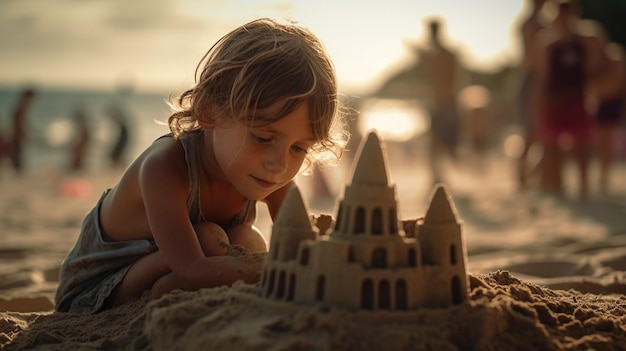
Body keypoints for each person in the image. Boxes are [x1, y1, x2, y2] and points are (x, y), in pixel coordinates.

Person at [55, 18, 348, 314]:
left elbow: (301, 245)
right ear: (210, 110)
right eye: (262, 137)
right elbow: (193, 270)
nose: (280, 164)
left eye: (298, 147)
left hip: (183, 267)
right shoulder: (165, 167)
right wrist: (282, 269)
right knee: (209, 239)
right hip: (95, 289)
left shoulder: (271, 172)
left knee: (247, 239)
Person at [533, 0, 599, 199]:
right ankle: (557, 188)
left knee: (582, 145)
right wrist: (540, 102)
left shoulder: (584, 41)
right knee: (552, 147)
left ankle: (584, 188)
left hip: (577, 99)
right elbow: (543, 76)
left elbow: (591, 69)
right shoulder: (549, 45)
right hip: (555, 101)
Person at [415, 18, 461, 184]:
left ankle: (445, 176)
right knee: (436, 142)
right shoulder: (447, 54)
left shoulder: (440, 55)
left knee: (447, 145)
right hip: (442, 104)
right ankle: (437, 177)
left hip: (444, 104)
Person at [517, 0, 547, 189]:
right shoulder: (531, 24)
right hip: (534, 79)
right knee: (532, 129)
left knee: (542, 130)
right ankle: (523, 175)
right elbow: (534, 58)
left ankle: (534, 172)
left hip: (539, 79)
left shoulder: (539, 22)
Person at [8, 88, 35, 172]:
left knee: (17, 158)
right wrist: (22, 134)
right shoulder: (21, 106)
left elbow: (20, 121)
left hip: (16, 135)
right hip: (16, 136)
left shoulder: (20, 106)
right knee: (17, 159)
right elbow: (18, 122)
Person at [69, 106, 91, 171]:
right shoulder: (84, 129)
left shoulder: (85, 130)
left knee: (77, 157)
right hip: (79, 154)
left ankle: (77, 166)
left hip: (80, 153)